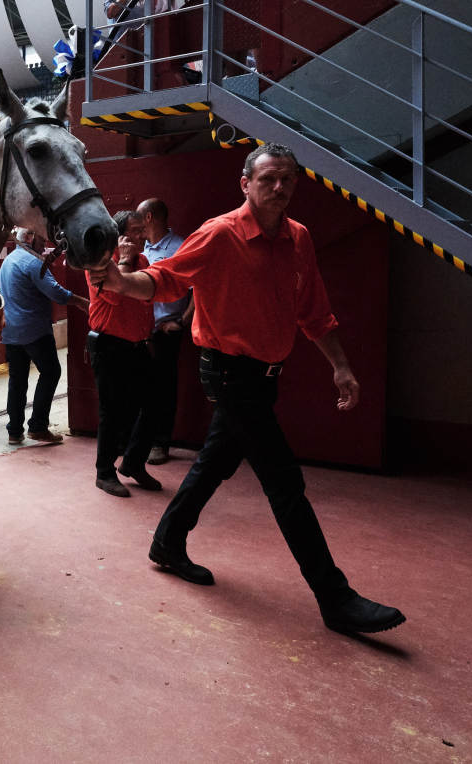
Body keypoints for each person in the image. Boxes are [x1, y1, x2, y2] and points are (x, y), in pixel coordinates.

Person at [88, 145, 404, 634]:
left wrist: (341, 366)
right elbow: (167, 280)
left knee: (216, 461)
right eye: (269, 179)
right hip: (229, 374)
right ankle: (334, 597)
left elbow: (315, 313)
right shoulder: (220, 234)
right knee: (284, 482)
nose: (280, 188)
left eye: (288, 180)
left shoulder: (298, 238)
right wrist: (121, 282)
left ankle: (168, 542)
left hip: (263, 377)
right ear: (245, 184)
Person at [85, 211, 163, 497]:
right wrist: (125, 260)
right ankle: (104, 473)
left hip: (137, 345)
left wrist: (149, 336)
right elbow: (118, 295)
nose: (143, 235)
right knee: (112, 412)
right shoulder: (100, 263)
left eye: (144, 229)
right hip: (109, 346)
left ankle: (133, 463)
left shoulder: (143, 260)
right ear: (119, 236)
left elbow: (145, 299)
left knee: (154, 405)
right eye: (136, 231)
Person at [0, 228, 88, 446]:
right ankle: (38, 426)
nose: (45, 243)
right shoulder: (33, 262)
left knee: (17, 381)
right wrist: (81, 301)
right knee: (51, 372)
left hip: (11, 331)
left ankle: (14, 431)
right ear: (29, 238)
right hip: (34, 331)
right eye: (41, 238)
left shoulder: (9, 261)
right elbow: (56, 293)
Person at [134, 198, 194, 465]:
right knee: (144, 388)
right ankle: (141, 441)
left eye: (139, 219)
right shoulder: (143, 248)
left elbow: (198, 289)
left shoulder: (180, 248)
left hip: (166, 332)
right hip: (143, 331)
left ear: (149, 217)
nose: (135, 226)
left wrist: (181, 321)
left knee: (165, 389)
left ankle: (161, 443)